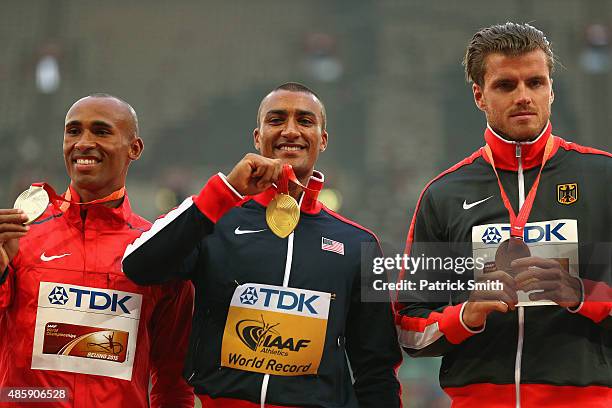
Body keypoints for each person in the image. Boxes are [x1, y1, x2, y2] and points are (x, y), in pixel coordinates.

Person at [122, 82, 402, 407]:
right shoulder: (214, 219)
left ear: (322, 139)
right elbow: (139, 267)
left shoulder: (361, 244)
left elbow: (376, 369)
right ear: (258, 137)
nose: (290, 130)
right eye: (276, 119)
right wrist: (226, 190)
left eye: (305, 121)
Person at [395, 23, 611, 407]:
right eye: (506, 85)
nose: (524, 96)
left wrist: (581, 294)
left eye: (535, 82)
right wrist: (466, 314)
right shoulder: (443, 195)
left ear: (551, 89)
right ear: (479, 95)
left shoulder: (603, 178)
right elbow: (408, 331)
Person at [0, 94, 195, 407]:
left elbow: (173, 384)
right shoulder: (19, 236)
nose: (83, 143)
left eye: (101, 131)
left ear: (135, 148)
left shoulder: (156, 249)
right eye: (73, 131)